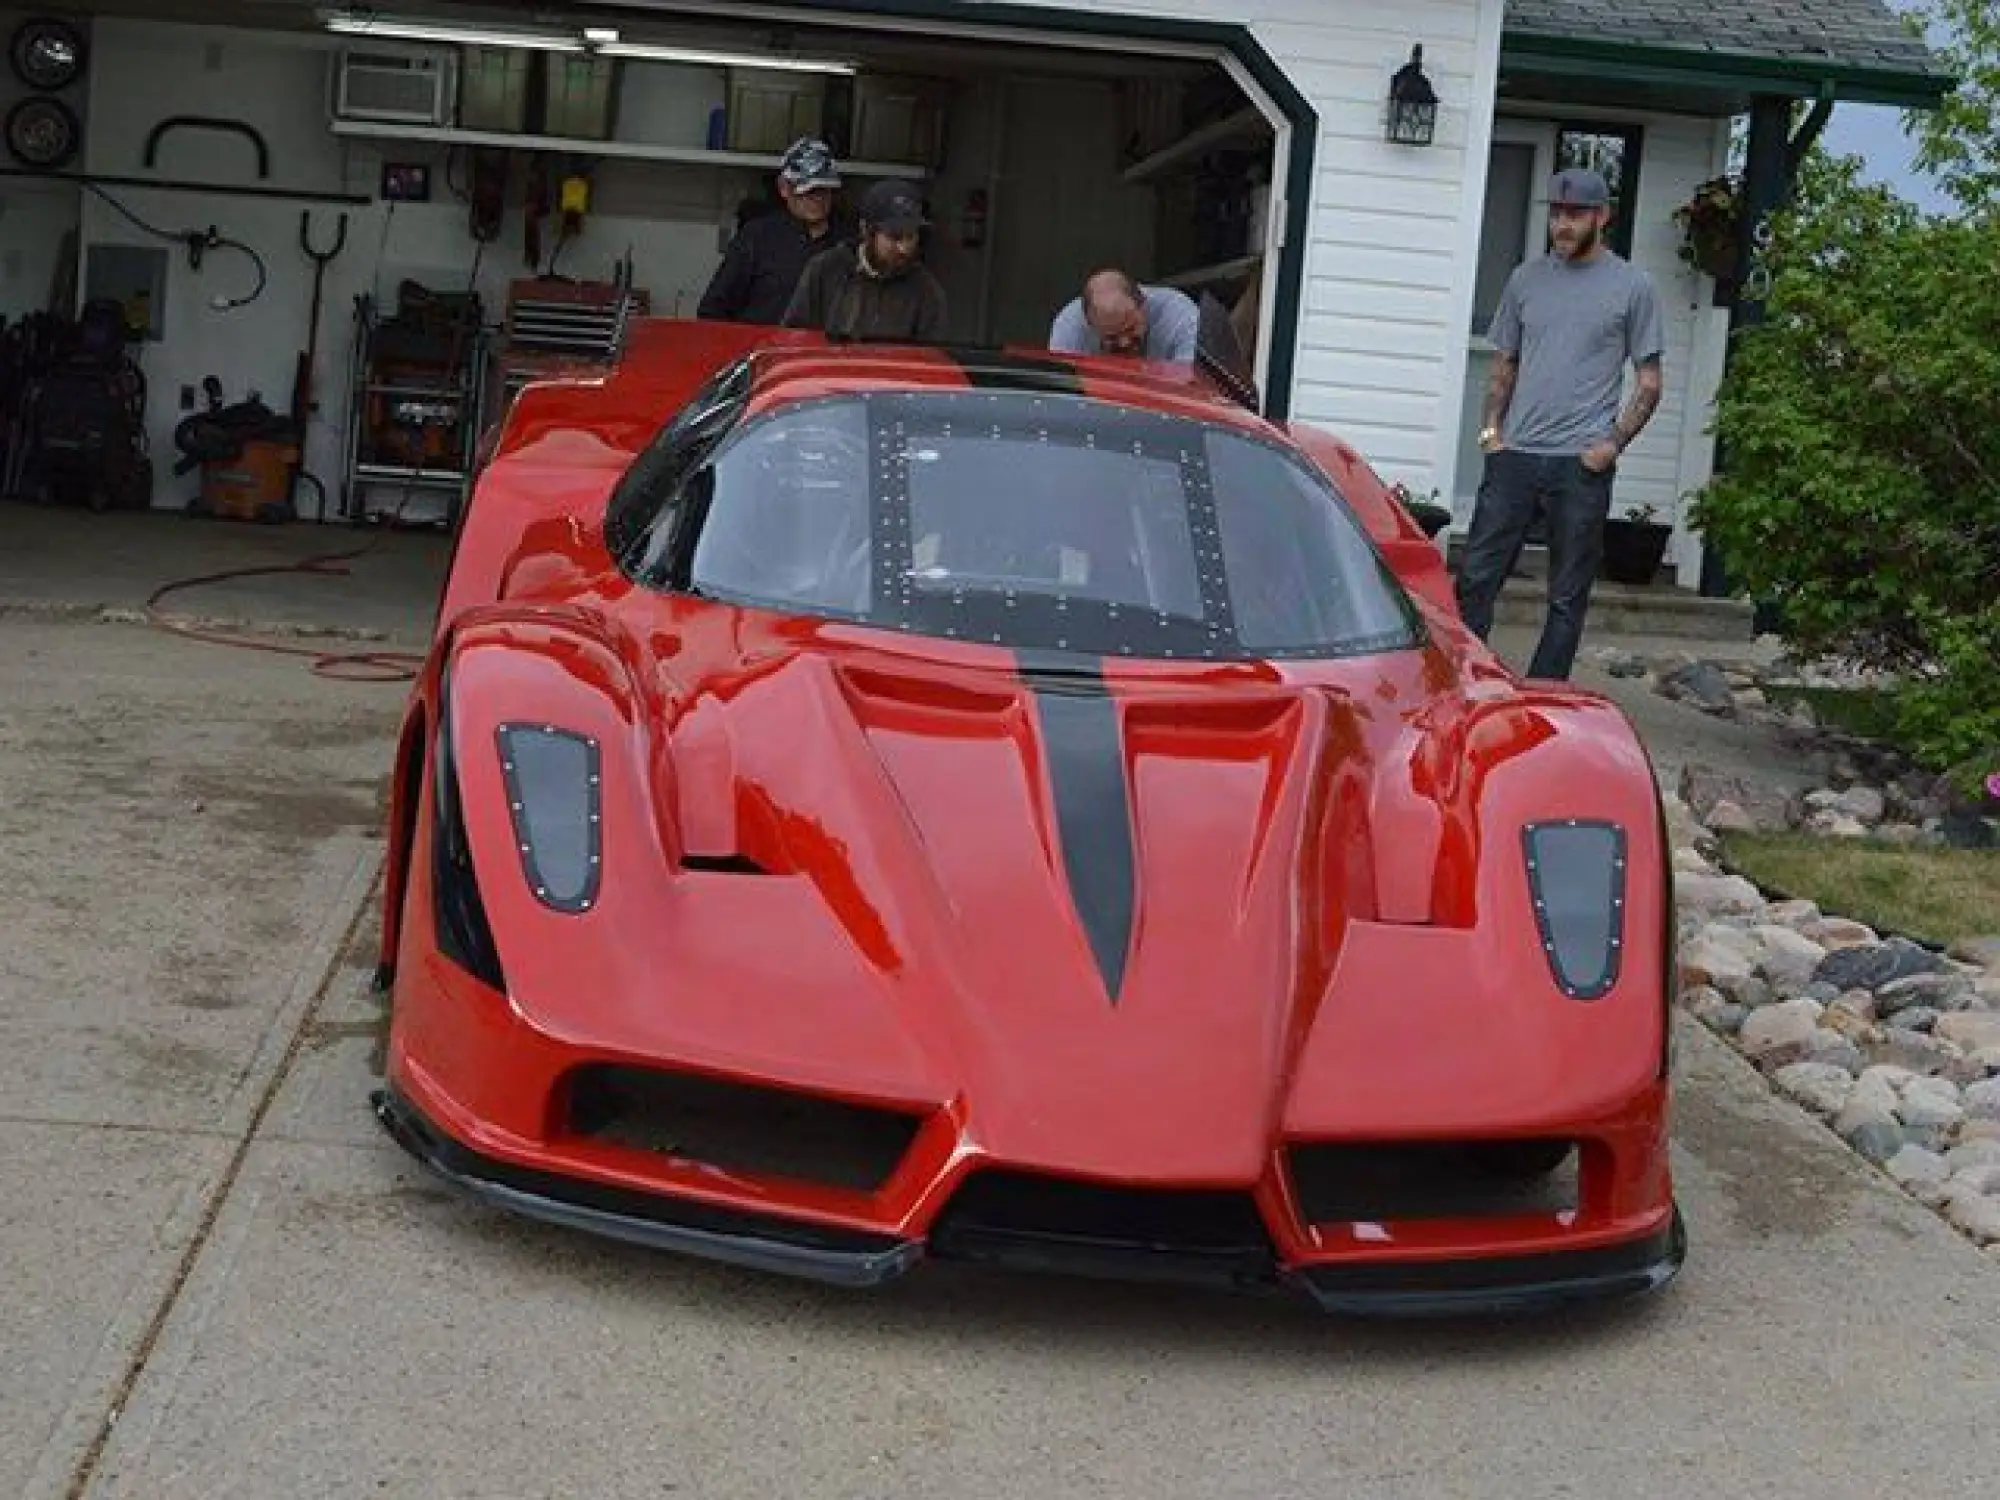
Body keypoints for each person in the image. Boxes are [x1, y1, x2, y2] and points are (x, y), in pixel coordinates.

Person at [1454, 167, 1665, 681]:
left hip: (1580, 464)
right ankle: (1465, 679)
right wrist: (1490, 433)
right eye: (1556, 213)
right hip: (1515, 457)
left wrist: (1612, 444)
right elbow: (1504, 364)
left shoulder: (1633, 286)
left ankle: (1545, 693)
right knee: (1476, 578)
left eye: (1575, 215)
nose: (1562, 225)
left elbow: (1650, 381)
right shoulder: (1526, 280)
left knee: (1566, 595)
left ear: (1602, 216)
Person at [696, 137, 847, 325]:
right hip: (760, 347)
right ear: (784, 188)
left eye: (824, 190)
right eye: (808, 191)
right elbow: (712, 311)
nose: (817, 199)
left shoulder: (848, 243)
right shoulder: (757, 237)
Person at [782, 178, 948, 342]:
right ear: (866, 231)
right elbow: (794, 339)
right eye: (894, 237)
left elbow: (931, 357)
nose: (904, 249)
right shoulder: (824, 270)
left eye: (911, 237)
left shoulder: (926, 289)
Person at [1047, 270, 1199, 363]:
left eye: (1130, 328)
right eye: (1111, 337)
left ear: (1143, 304)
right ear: (1088, 324)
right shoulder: (1069, 326)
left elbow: (1194, 386)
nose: (1124, 342)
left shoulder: (1181, 316)